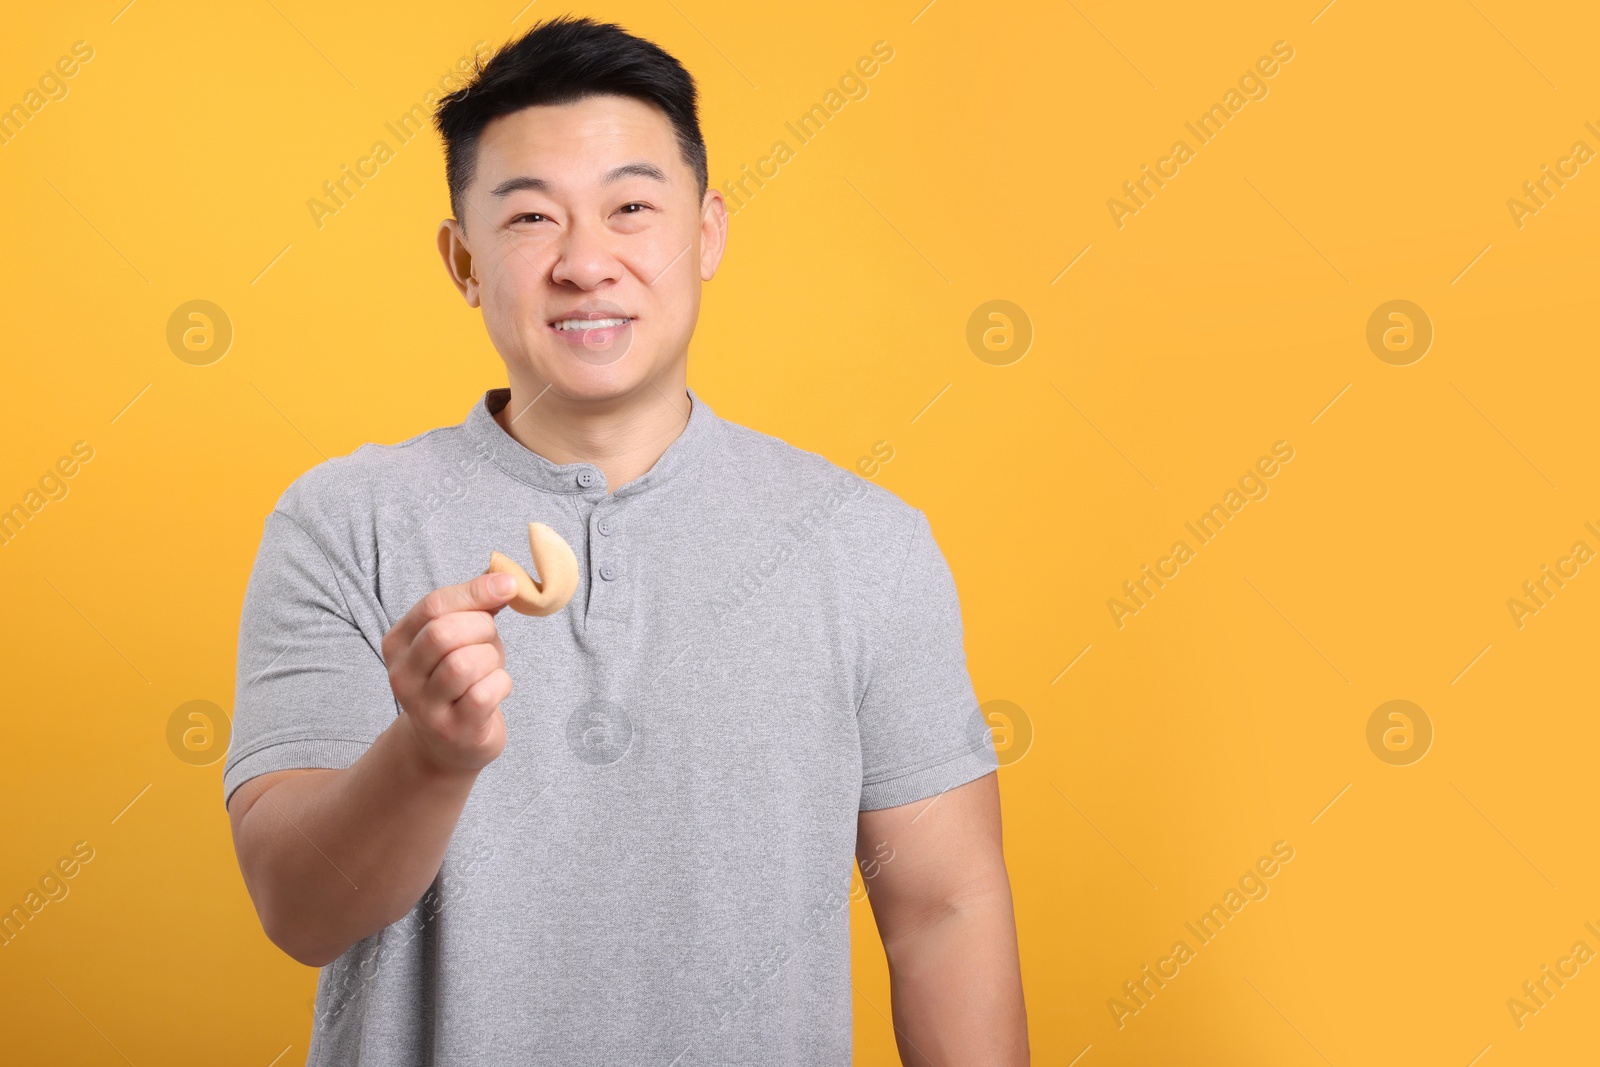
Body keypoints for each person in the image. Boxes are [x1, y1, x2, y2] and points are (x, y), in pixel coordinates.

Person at [223, 14, 1027, 1066]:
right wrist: (427, 755)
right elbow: (300, 908)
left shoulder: (864, 543)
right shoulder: (343, 520)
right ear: (462, 260)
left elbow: (943, 911)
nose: (585, 262)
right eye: (529, 220)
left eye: (631, 208)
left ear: (707, 233)